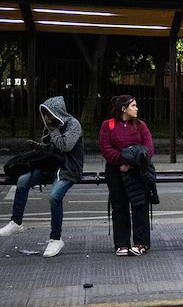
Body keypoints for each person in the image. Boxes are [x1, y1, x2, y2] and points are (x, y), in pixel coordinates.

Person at [0, 96, 84, 258]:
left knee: (54, 197)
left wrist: (52, 129)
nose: (45, 117)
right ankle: (16, 222)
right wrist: (40, 145)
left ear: (56, 112)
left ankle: (56, 238)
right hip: (51, 166)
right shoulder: (51, 127)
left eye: (48, 113)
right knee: (23, 180)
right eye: (44, 114)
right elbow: (51, 147)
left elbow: (65, 145)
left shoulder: (73, 124)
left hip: (68, 168)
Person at [98, 95, 154, 256]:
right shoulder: (107, 125)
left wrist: (131, 163)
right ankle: (121, 243)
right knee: (119, 206)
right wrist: (122, 161)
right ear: (123, 108)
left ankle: (141, 243)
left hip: (137, 171)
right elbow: (105, 148)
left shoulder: (140, 125)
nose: (136, 108)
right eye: (133, 106)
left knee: (140, 206)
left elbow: (148, 148)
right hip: (115, 172)